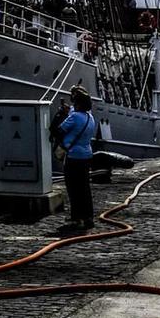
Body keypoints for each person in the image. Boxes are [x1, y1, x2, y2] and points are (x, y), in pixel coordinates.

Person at [56, 85, 99, 235]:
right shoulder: (90, 117)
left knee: (73, 189)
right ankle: (88, 218)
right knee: (84, 188)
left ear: (77, 103)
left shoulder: (74, 117)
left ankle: (77, 219)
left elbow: (60, 129)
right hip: (86, 155)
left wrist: (62, 115)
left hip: (73, 156)